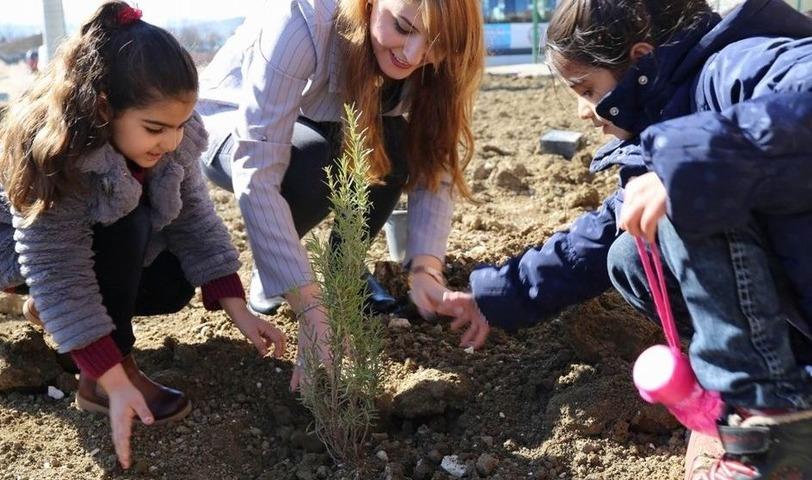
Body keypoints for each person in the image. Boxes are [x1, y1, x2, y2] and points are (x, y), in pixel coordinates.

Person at [437, 0, 812, 477]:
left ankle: (773, 420)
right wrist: (499, 294)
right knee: (632, 253)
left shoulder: (735, 66)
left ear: (639, 59)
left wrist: (689, 165)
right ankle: (766, 404)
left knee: (682, 195)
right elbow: (594, 241)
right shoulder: (674, 109)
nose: (582, 112)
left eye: (587, 89)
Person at [0, 2, 285, 470]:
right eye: (155, 128)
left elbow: (195, 216)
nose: (170, 141)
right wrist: (109, 372)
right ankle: (101, 381)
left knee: (171, 281)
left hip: (84, 244)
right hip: (11, 247)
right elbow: (57, 267)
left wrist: (236, 305)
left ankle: (65, 323)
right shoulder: (60, 156)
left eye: (179, 125)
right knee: (124, 220)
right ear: (104, 107)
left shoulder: (171, 141)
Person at [195, 0, 485, 390]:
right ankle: (279, 273)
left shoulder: (436, 54)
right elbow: (258, 168)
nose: (413, 55)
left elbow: (435, 160)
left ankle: (342, 272)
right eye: (401, 27)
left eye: (434, 42)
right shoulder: (302, 23)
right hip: (233, 126)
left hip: (319, 120)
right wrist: (310, 310)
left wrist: (426, 270)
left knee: (393, 145)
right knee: (315, 162)